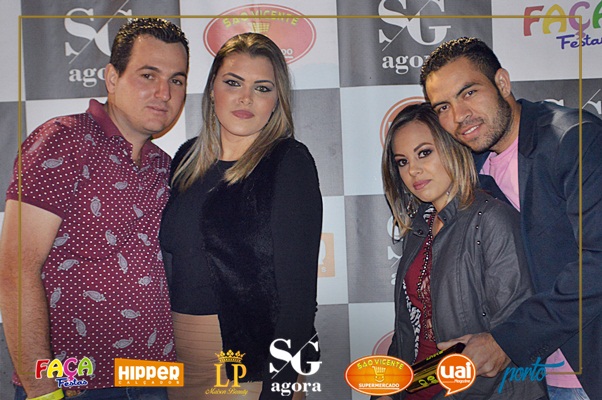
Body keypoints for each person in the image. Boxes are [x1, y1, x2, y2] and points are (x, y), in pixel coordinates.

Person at [0, 18, 189, 400]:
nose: (164, 92)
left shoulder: (166, 166)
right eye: (148, 75)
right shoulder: (62, 141)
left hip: (152, 377)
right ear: (112, 77)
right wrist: (42, 390)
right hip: (76, 382)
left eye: (177, 80)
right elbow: (16, 268)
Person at [420, 37, 602, 399]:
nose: (459, 116)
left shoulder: (573, 139)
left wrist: (506, 341)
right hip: (532, 380)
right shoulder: (469, 169)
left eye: (469, 93)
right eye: (443, 106)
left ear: (502, 83)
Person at [159, 32, 322, 400]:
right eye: (233, 82)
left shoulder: (289, 163)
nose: (245, 97)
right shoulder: (186, 159)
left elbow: (298, 303)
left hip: (251, 368)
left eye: (262, 88)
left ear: (276, 101)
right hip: (179, 366)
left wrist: (278, 389)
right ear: (212, 89)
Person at [377, 103, 545, 399]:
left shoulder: (492, 219)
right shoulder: (419, 227)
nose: (413, 170)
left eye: (424, 153)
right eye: (402, 161)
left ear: (452, 146)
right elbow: (407, 329)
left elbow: (511, 339)